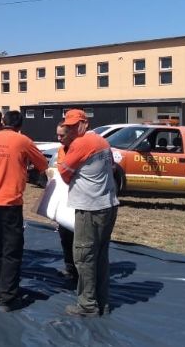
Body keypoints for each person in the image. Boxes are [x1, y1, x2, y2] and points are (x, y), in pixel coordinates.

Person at [0, 110, 47, 312]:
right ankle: (7, 298)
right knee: (11, 250)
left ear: (3, 122)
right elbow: (42, 164)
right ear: (19, 126)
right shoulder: (23, 141)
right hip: (9, 203)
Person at [57, 109, 119, 317]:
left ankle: (87, 305)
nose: (71, 130)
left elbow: (64, 173)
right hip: (107, 204)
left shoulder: (81, 144)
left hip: (90, 208)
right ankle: (102, 302)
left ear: (84, 123)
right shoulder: (102, 141)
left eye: (74, 126)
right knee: (100, 255)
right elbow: (111, 166)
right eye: (69, 126)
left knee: (84, 256)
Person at [54, 122, 77, 281]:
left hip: (80, 197)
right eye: (57, 135)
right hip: (65, 197)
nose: (59, 138)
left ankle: (80, 269)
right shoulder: (61, 149)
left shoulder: (79, 149)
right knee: (65, 234)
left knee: (79, 236)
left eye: (62, 135)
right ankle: (70, 267)